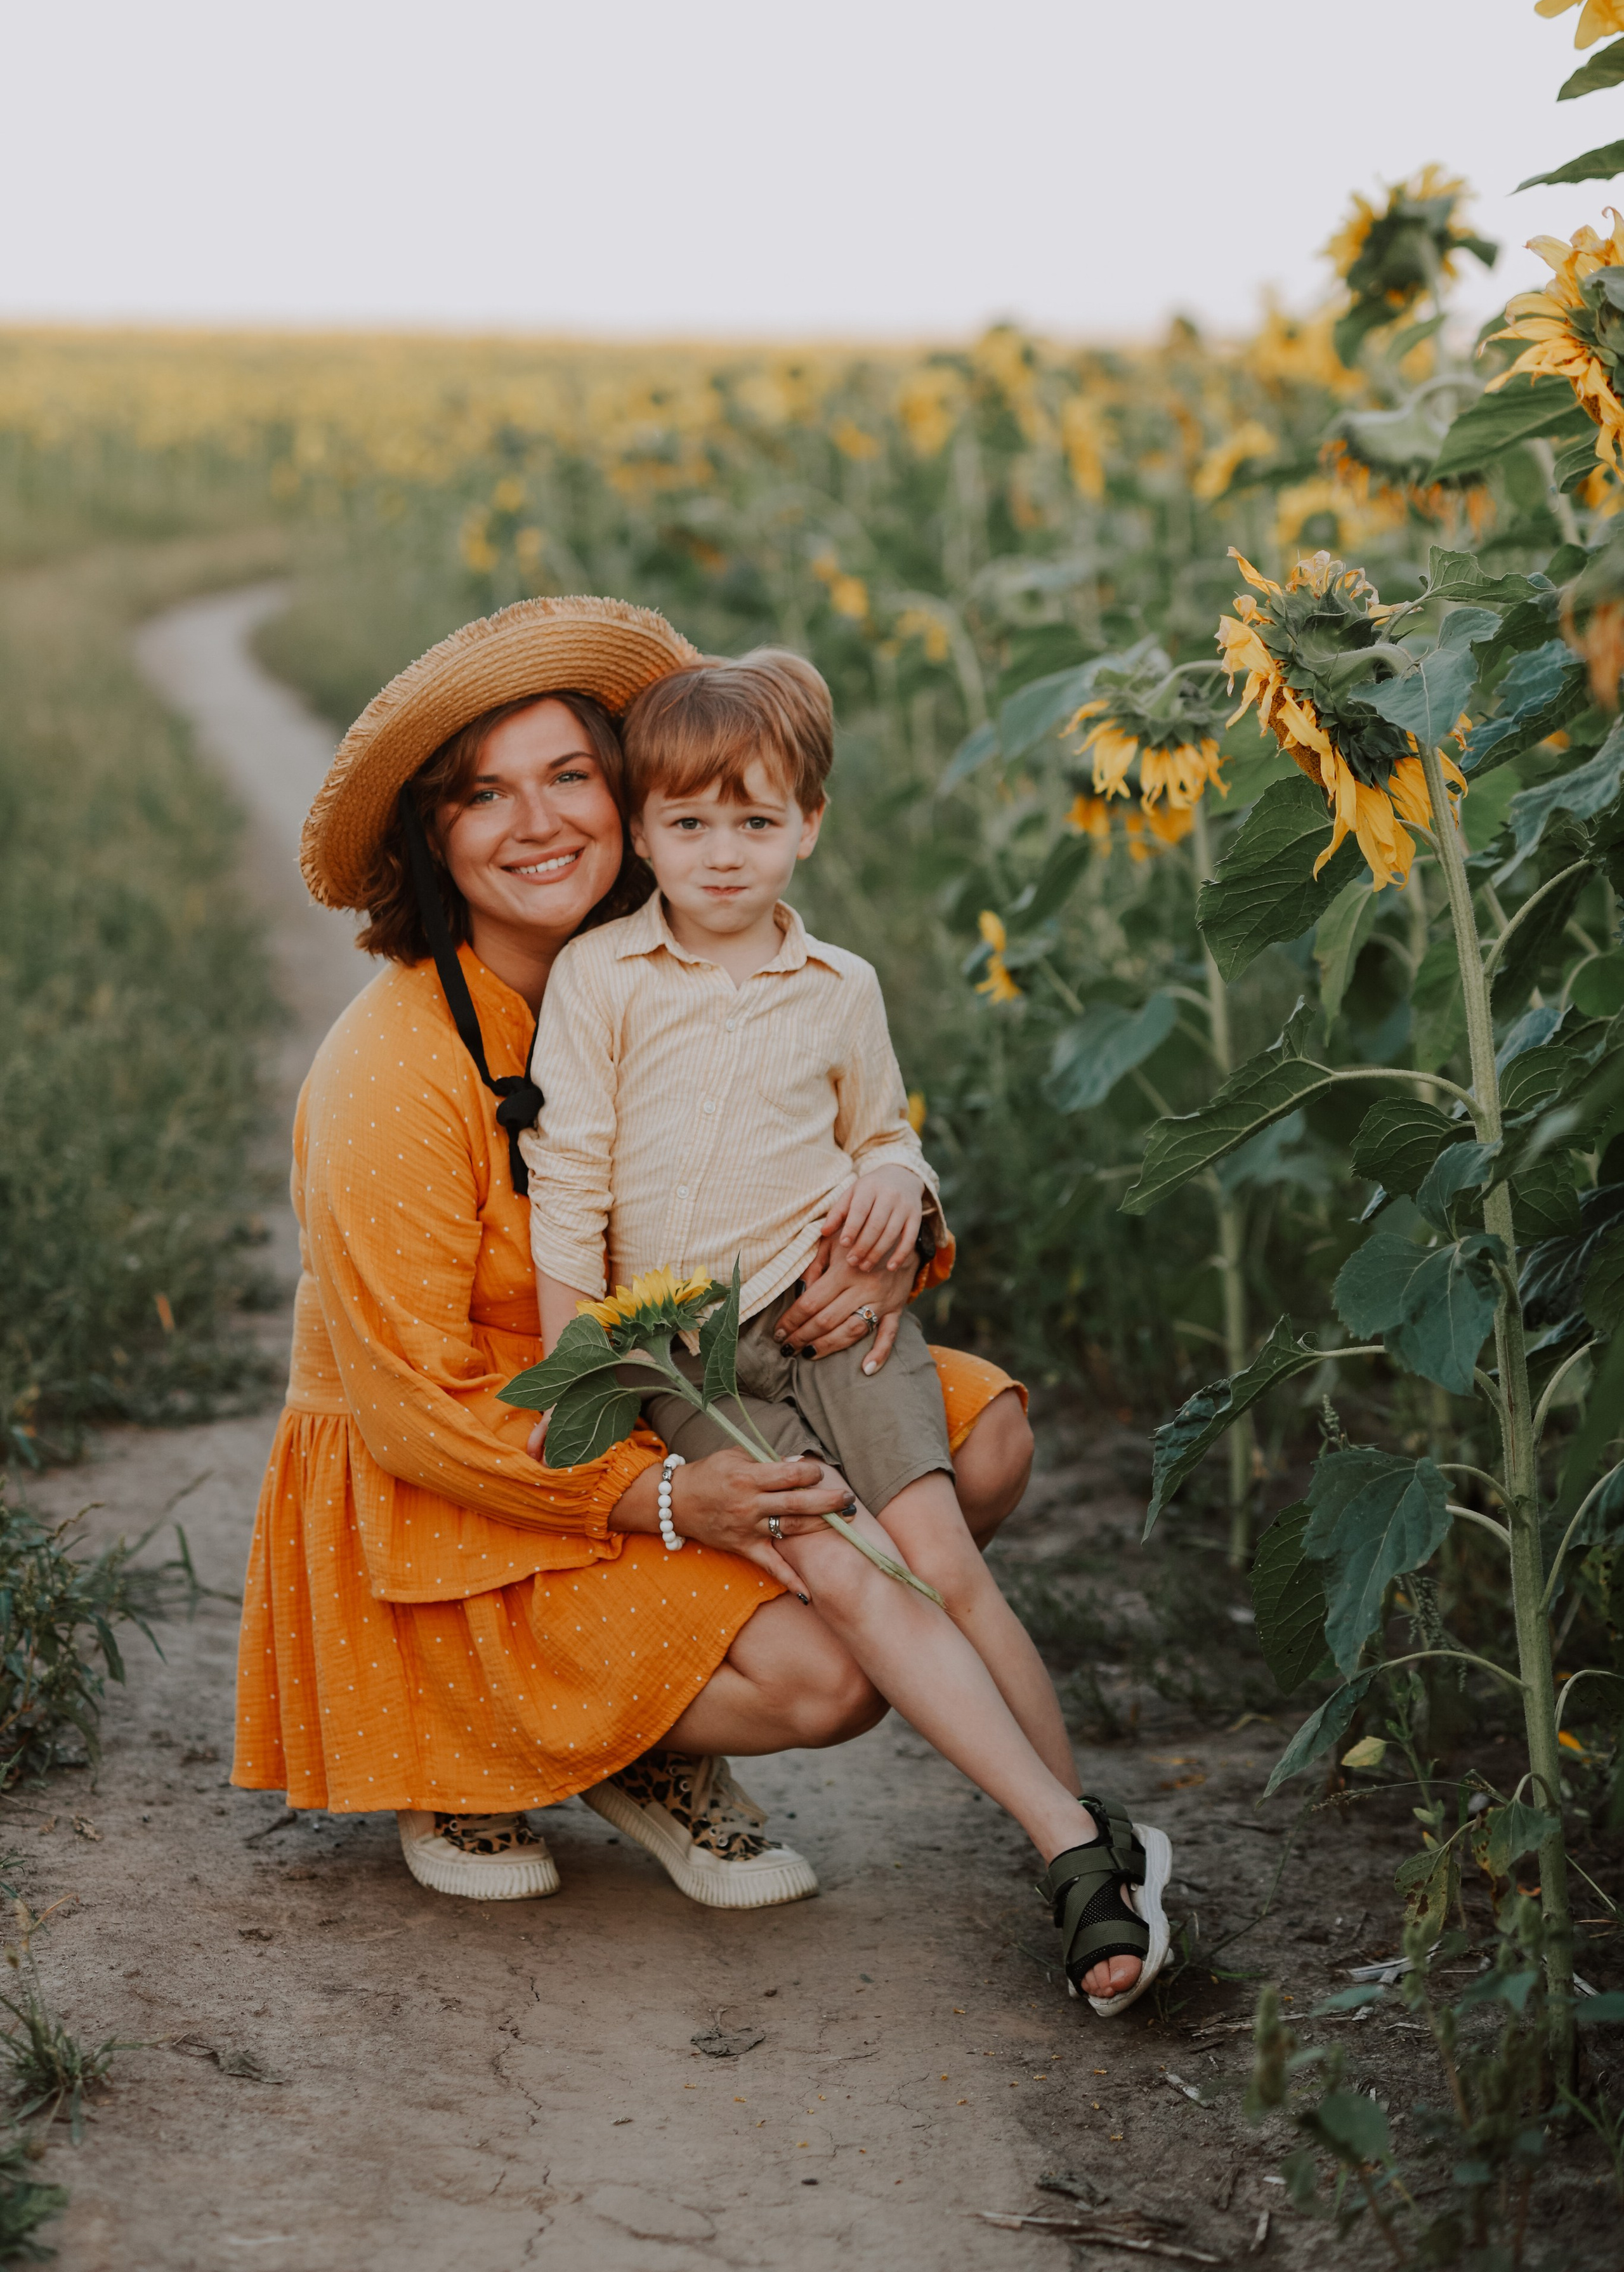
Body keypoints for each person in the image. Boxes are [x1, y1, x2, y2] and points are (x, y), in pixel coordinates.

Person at [230, 594, 1160, 2010]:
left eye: (566, 778)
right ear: (433, 837)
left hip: (705, 1368)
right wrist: (665, 1502)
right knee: (825, 1669)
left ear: (627, 800)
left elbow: (823, 1123)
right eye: (482, 795)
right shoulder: (392, 1071)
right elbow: (421, 1416)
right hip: (486, 1467)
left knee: (981, 1446)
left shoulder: (690, 954)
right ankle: (499, 1744)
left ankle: (1072, 1838)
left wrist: (895, 1227)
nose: (535, 822)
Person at [522, 648, 1088, 1827]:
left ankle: (1086, 1843)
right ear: (640, 833)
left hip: (835, 1323)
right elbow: (569, 1180)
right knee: (848, 1565)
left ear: (809, 826)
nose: (722, 854)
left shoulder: (840, 985)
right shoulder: (604, 977)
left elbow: (881, 1132)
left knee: (943, 1563)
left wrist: (900, 1180)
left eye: (756, 821)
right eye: (686, 823)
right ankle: (1063, 1837)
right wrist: (582, 1371)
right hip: (691, 1356)